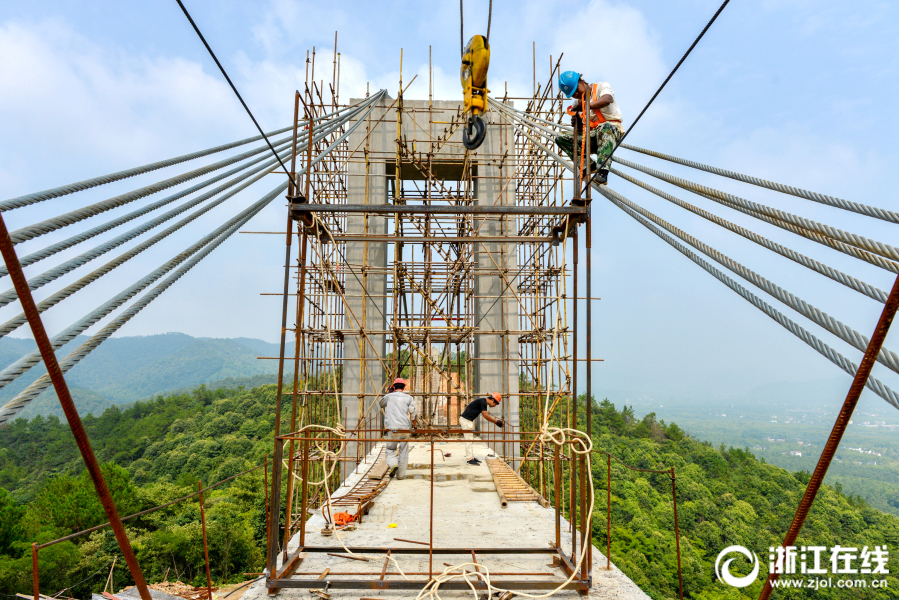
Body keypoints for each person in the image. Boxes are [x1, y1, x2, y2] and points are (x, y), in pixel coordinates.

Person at [555, 70, 624, 186]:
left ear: (582, 81)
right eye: (573, 94)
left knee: (605, 127)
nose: (576, 94)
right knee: (560, 137)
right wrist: (577, 123)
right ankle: (588, 166)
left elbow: (607, 100)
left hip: (610, 131)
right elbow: (582, 132)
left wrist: (585, 106)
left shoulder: (602, 87)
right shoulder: (579, 102)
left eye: (577, 90)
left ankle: (602, 171)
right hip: (594, 137)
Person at [379, 378, 417, 479]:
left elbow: (381, 404)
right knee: (404, 451)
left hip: (392, 428)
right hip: (405, 428)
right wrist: (415, 426)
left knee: (390, 449)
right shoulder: (408, 398)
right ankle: (400, 475)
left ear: (394, 386)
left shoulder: (388, 397)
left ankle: (393, 464)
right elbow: (413, 413)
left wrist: (389, 392)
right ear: (404, 387)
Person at [459, 392, 504, 466]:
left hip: (467, 420)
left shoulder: (483, 401)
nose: (494, 406)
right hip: (466, 420)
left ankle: (471, 457)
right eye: (495, 404)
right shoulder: (483, 402)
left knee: (470, 439)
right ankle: (469, 459)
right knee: (468, 440)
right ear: (492, 400)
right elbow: (485, 416)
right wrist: (496, 422)